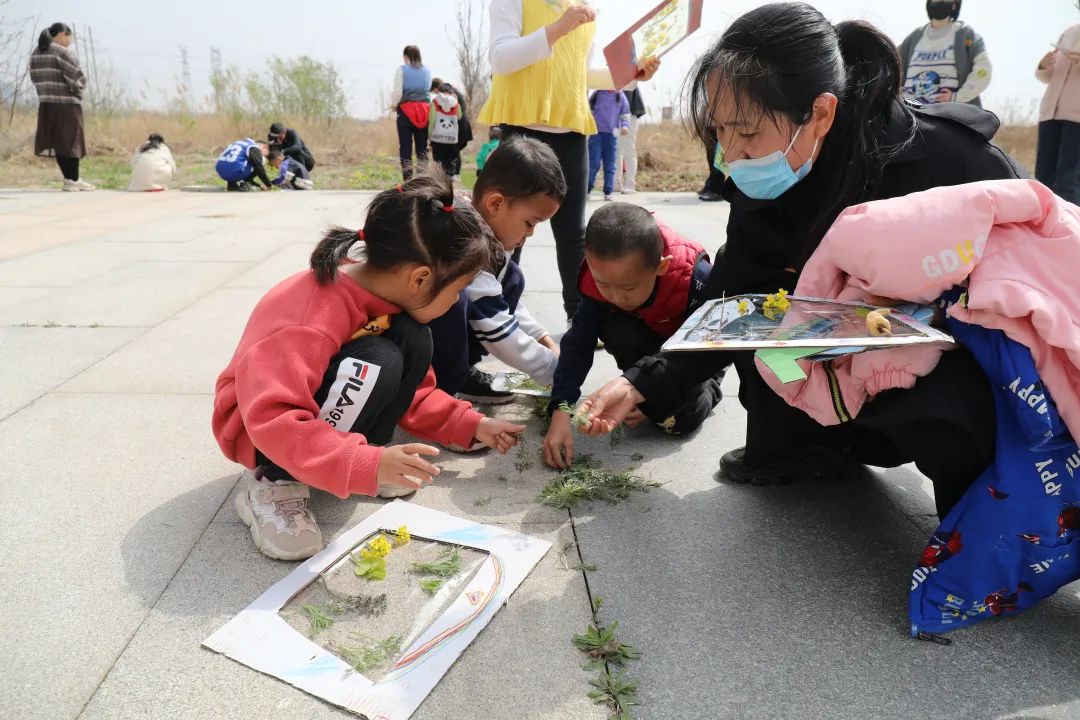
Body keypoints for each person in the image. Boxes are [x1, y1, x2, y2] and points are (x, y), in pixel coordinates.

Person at [578, 2, 1024, 518]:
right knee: (762, 315)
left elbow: (1033, 285)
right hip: (837, 366)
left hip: (938, 367)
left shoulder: (948, 162)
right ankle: (804, 448)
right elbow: (734, 294)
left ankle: (980, 525)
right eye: (719, 129)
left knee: (957, 417)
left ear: (820, 114)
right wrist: (643, 381)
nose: (731, 152)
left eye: (745, 132)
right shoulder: (761, 169)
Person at [212, 171, 525, 561]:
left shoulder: (389, 300)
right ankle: (275, 484)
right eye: (457, 290)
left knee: (410, 340)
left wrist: (470, 423)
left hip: (306, 414)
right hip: (260, 432)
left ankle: (359, 458)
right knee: (377, 360)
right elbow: (273, 416)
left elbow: (415, 394)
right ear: (420, 278)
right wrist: (364, 464)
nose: (457, 301)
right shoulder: (312, 316)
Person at [478, 0, 660, 321]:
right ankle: (494, 312)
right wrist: (558, 28)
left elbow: (580, 73)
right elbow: (501, 58)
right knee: (509, 232)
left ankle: (579, 316)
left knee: (573, 233)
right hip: (523, 128)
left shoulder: (584, 10)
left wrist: (631, 75)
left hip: (571, 130)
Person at [543, 203, 719, 469]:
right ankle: (642, 393)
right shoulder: (600, 276)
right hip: (649, 346)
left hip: (690, 356)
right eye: (603, 284)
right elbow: (577, 344)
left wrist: (647, 390)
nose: (615, 297)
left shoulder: (695, 278)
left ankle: (711, 390)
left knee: (678, 423)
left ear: (661, 267)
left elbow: (710, 347)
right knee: (616, 329)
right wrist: (561, 410)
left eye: (628, 287)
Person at [429, 136, 563, 403]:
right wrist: (554, 369)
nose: (531, 233)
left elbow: (496, 296)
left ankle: (460, 374)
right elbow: (496, 328)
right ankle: (441, 398)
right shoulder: (465, 241)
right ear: (496, 204)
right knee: (457, 302)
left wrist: (541, 336)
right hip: (406, 337)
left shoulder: (484, 225)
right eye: (529, 222)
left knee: (512, 277)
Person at [29, 22, 94, 192]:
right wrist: (79, 91)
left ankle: (70, 179)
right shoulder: (62, 52)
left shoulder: (36, 52)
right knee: (72, 142)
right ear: (61, 34)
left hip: (46, 104)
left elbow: (34, 78)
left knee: (58, 142)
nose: (70, 40)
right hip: (66, 104)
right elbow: (77, 77)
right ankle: (73, 180)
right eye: (69, 36)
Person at [898, 0, 991, 106]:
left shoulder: (966, 34)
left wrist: (958, 97)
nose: (940, 2)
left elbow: (983, 70)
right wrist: (900, 94)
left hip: (949, 115)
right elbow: (891, 65)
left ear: (954, 5)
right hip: (911, 113)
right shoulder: (914, 37)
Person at [1035, 21, 1080, 205]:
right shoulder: (1069, 32)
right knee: (1042, 180)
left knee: (1068, 183)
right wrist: (1043, 65)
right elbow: (1046, 76)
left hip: (1077, 119)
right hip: (1050, 114)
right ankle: (1040, 231)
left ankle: (1071, 231)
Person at [392, 45, 432, 180]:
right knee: (422, 149)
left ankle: (408, 180)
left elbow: (397, 92)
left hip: (406, 111)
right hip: (424, 111)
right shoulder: (427, 71)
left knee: (405, 148)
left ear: (406, 56)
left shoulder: (401, 70)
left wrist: (393, 105)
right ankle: (422, 181)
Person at [587, 90, 630, 201]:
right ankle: (587, 190)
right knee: (594, 163)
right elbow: (588, 111)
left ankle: (608, 191)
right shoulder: (597, 94)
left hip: (611, 135)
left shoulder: (619, 95)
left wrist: (625, 126)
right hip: (595, 134)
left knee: (610, 164)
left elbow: (625, 114)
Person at [614, 87, 646, 195]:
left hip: (631, 110)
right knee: (616, 149)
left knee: (628, 148)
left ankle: (630, 183)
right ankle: (616, 182)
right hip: (614, 111)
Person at [428, 83, 462, 178]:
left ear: (439, 91)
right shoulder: (456, 103)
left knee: (438, 162)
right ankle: (450, 182)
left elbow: (432, 121)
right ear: (450, 92)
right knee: (450, 162)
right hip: (452, 138)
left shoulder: (435, 102)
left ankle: (439, 183)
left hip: (437, 138)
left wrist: (429, 136)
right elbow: (459, 116)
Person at [698, 128, 727, 202]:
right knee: (712, 163)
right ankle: (711, 189)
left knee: (717, 165)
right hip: (710, 134)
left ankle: (717, 192)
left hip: (718, 133)